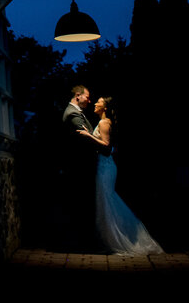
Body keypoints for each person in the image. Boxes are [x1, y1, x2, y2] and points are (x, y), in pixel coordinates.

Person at [78, 96, 164, 255]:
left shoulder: (105, 122)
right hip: (104, 166)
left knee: (108, 201)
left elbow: (106, 146)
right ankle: (111, 240)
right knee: (105, 201)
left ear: (105, 107)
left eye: (99, 102)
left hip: (106, 166)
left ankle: (123, 238)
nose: (95, 103)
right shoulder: (104, 122)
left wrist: (88, 135)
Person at [61, 84, 109, 251]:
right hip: (80, 166)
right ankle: (83, 243)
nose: (90, 100)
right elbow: (83, 137)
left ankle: (84, 242)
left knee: (85, 203)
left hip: (87, 165)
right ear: (77, 95)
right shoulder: (73, 113)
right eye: (87, 96)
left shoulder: (78, 113)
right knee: (82, 204)